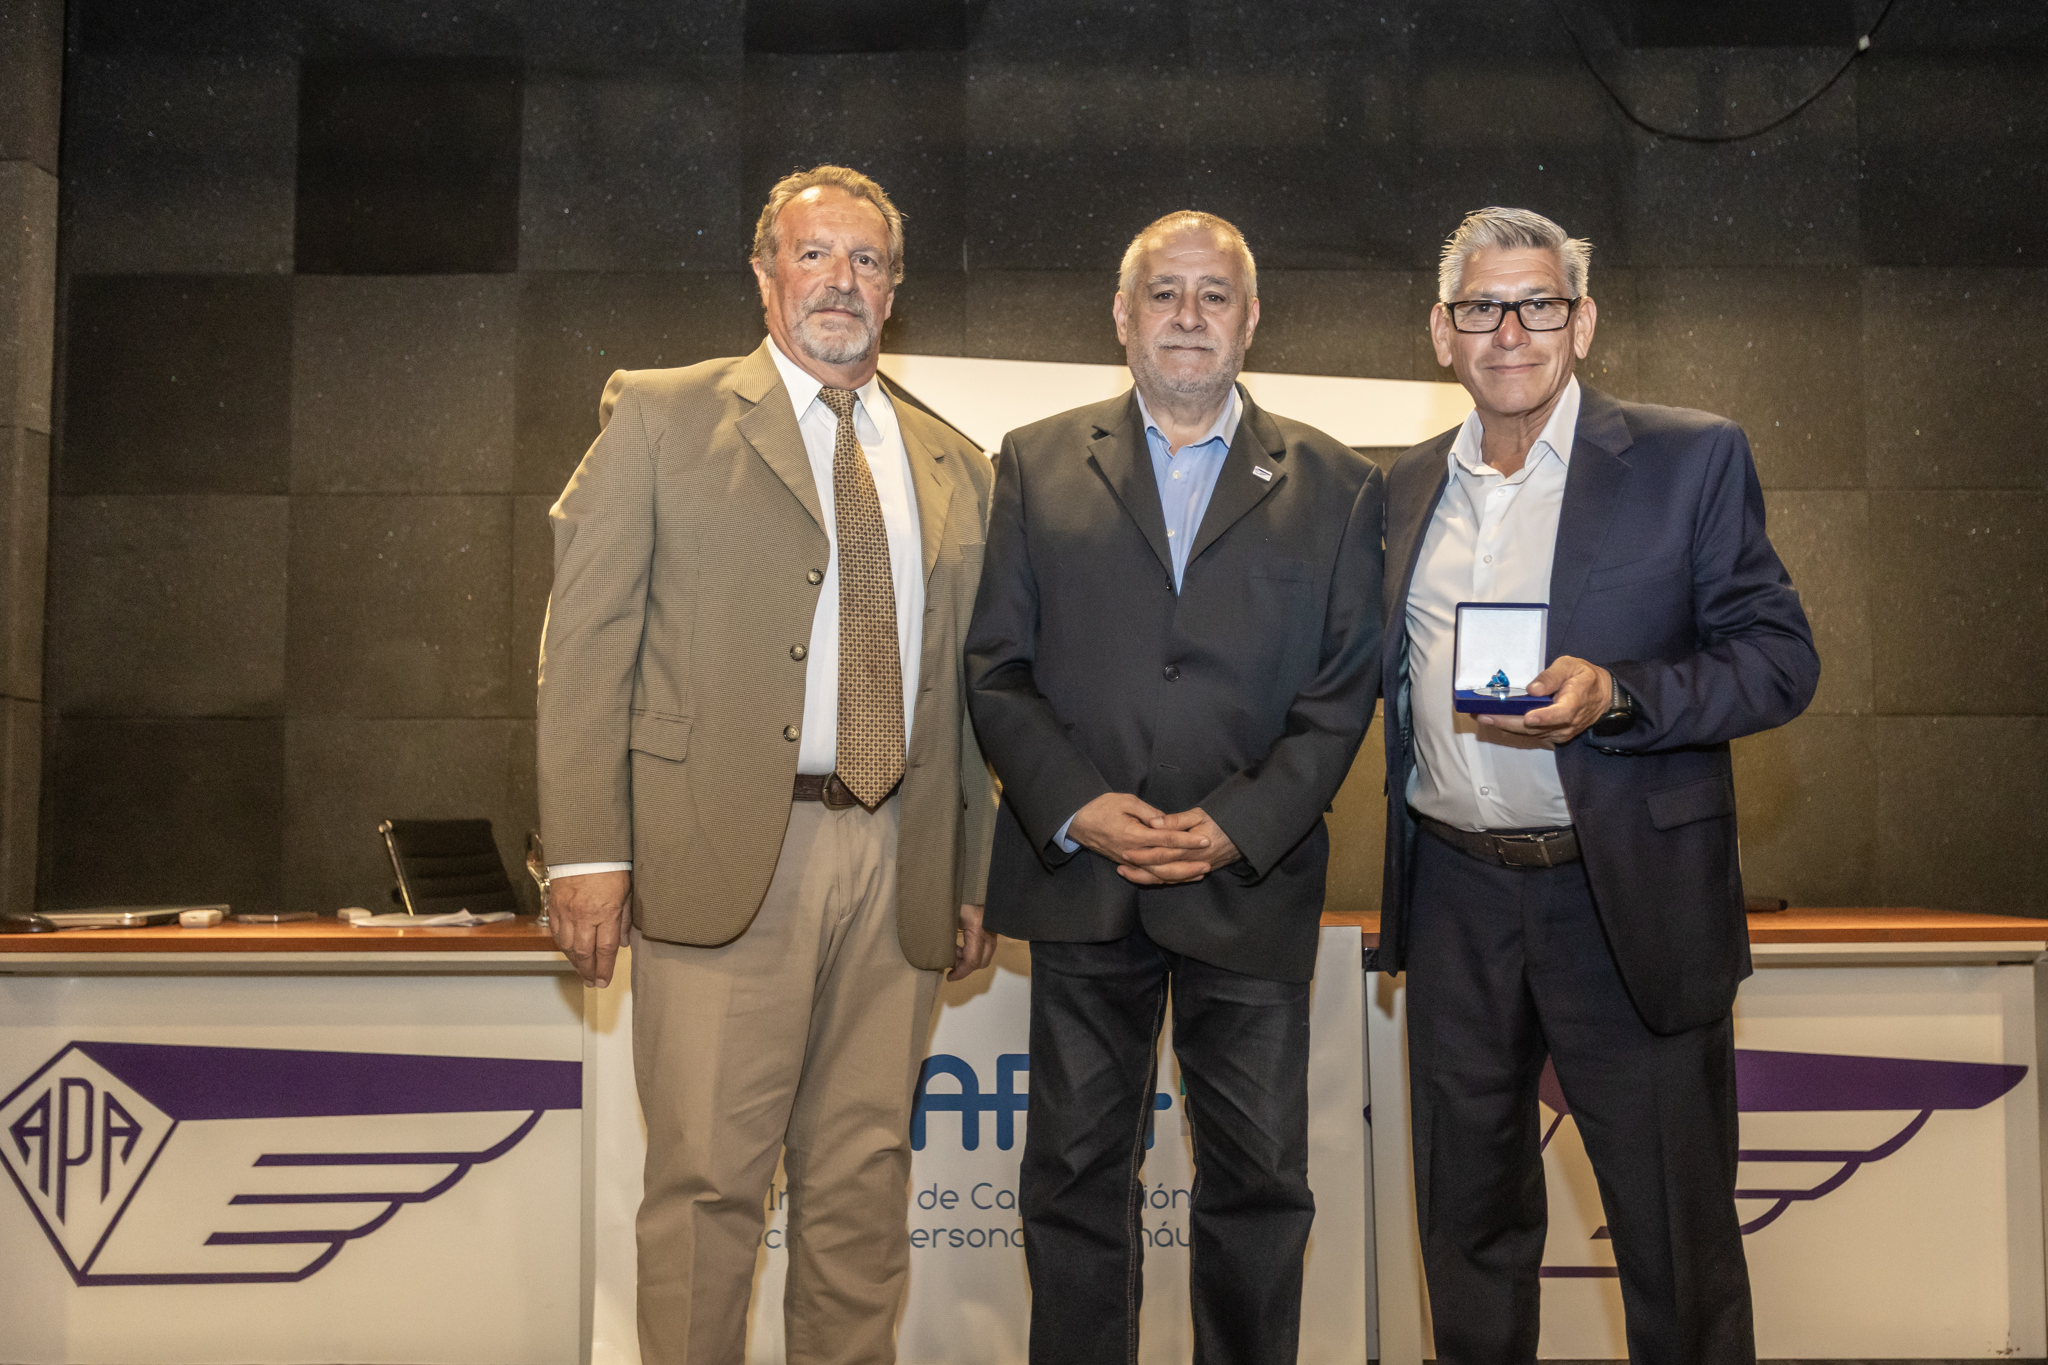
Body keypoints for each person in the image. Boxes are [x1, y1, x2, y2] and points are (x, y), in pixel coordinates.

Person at [536, 164, 997, 1365]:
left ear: (893, 289)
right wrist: (585, 853)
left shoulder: (953, 462)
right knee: (705, 1190)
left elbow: (964, 692)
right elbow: (584, 648)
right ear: (763, 273)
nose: (840, 280)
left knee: (862, 1189)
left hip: (900, 858)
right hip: (722, 854)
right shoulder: (659, 417)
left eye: (865, 261)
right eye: (813, 254)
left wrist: (969, 870)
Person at [1378, 206, 1820, 1365]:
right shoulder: (1401, 488)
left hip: (1622, 898)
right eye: (1481, 307)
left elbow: (1779, 661)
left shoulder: (1687, 458)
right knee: (1466, 1229)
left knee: (1673, 1240)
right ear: (1440, 331)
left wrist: (1618, 695)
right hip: (1456, 901)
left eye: (1536, 305)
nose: (1508, 331)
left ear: (1581, 324)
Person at [965, 210, 1384, 1364]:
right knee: (1070, 1178)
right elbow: (994, 668)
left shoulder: (1339, 485)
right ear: (1122, 315)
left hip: (1246, 885)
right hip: (1082, 880)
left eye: (1213, 294)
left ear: (1250, 319)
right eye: (1164, 292)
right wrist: (1077, 807)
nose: (1187, 315)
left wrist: (1236, 826)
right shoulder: (1033, 461)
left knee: (1259, 1183)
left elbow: (1341, 692)